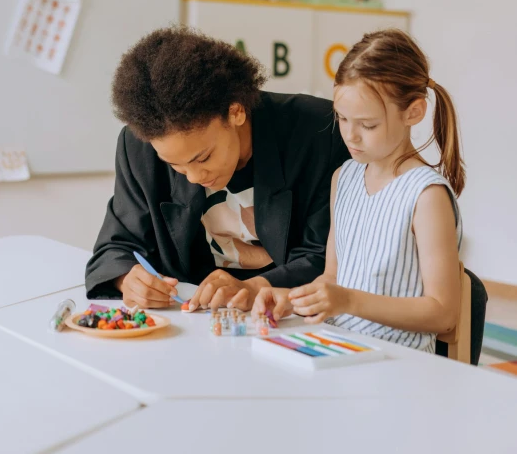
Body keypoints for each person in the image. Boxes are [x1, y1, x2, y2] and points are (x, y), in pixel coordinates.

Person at [85, 26, 349, 311]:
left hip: (289, 314)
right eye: (175, 165)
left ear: (236, 112)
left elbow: (328, 256)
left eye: (203, 157)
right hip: (193, 316)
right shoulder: (139, 146)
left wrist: (253, 288)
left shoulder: (320, 132)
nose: (197, 177)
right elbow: (116, 246)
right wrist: (127, 280)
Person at [253, 29, 464, 352]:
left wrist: (348, 300)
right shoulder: (344, 178)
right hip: (340, 347)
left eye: (368, 125)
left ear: (414, 112)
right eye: (342, 119)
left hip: (399, 363)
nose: (351, 136)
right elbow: (332, 278)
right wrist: (291, 300)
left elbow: (443, 313)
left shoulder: (426, 195)